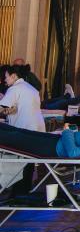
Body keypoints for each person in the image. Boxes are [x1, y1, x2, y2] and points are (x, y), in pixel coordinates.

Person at [0, 64, 46, 195]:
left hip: (25, 130)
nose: (4, 80)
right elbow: (18, 108)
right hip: (37, 130)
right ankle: (23, 191)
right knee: (28, 162)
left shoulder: (15, 89)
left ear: (14, 76)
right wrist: (10, 110)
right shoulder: (30, 88)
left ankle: (18, 191)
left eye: (6, 77)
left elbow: (2, 106)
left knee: (21, 160)